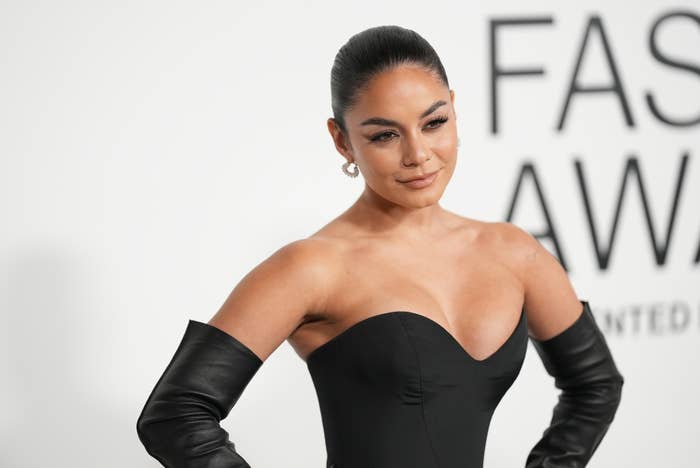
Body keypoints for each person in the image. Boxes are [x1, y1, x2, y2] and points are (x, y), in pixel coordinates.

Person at [136, 25, 624, 468]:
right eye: (385, 134)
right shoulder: (311, 266)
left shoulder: (513, 253)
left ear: (454, 109)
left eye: (434, 122)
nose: (418, 155)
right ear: (343, 141)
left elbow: (595, 385)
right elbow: (176, 415)